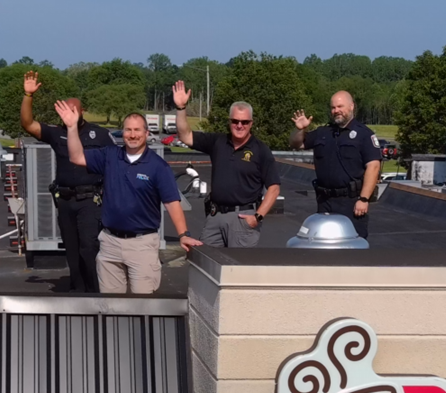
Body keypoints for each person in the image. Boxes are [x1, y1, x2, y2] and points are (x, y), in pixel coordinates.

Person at [55, 101, 202, 294]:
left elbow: (171, 202)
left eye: (137, 130)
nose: (132, 135)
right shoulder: (109, 156)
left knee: (143, 306)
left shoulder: (158, 167)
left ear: (147, 133)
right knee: (113, 309)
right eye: (128, 130)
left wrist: (183, 235)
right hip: (110, 243)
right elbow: (76, 157)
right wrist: (72, 128)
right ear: (122, 133)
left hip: (142, 244)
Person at [20, 71, 113, 293]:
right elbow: (27, 123)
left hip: (90, 200)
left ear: (82, 111)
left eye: (74, 110)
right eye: (66, 111)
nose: (70, 115)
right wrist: (28, 95)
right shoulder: (56, 133)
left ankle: (95, 290)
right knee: (71, 249)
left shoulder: (99, 135)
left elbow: (115, 163)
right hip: (65, 200)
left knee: (88, 247)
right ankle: (77, 290)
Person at [172, 81, 280, 247]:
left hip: (243, 219)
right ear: (229, 122)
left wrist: (257, 217)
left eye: (244, 122)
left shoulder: (260, 150)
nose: (239, 125)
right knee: (207, 263)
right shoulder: (218, 142)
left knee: (238, 270)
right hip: (215, 217)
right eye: (235, 121)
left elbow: (274, 187)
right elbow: (185, 136)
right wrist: (181, 108)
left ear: (251, 123)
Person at [289, 91, 382, 238]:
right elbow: (296, 143)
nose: (336, 110)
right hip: (324, 201)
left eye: (340, 106)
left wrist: (364, 199)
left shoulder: (364, 134)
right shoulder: (323, 132)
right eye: (333, 107)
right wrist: (300, 129)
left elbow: (374, 167)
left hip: (351, 203)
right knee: (324, 244)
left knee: (352, 247)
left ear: (351, 106)